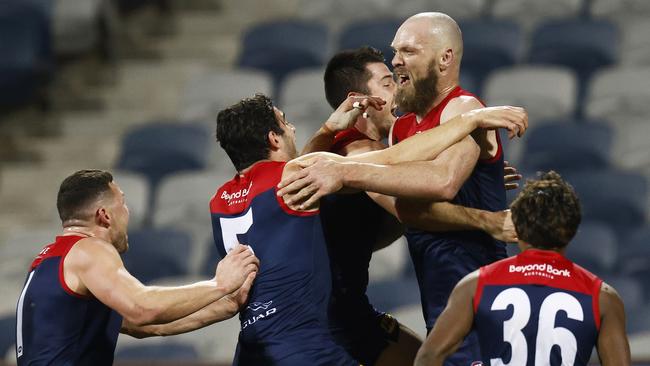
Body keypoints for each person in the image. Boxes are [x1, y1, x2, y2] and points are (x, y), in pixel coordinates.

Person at [211, 93, 526, 365]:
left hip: (252, 344)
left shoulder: (220, 202)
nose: (292, 128)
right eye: (285, 122)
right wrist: (471, 119)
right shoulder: (291, 174)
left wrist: (328, 130)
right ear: (273, 138)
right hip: (303, 345)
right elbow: (394, 157)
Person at [276, 12, 515, 365]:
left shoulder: (461, 108)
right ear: (360, 100)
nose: (398, 62)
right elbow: (407, 206)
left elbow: (441, 182)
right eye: (392, 63)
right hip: (336, 309)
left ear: (444, 58)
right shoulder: (382, 139)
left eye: (407, 52)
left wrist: (479, 170)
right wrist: (485, 217)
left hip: (479, 296)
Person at [15, 170, 259, 365]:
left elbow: (145, 326)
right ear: (104, 215)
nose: (128, 211)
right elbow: (142, 308)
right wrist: (218, 284)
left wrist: (225, 306)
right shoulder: (89, 250)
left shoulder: (47, 260)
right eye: (123, 202)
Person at [414, 171, 631, 366]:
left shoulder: (475, 284)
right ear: (573, 231)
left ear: (516, 224)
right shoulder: (603, 298)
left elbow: (429, 357)